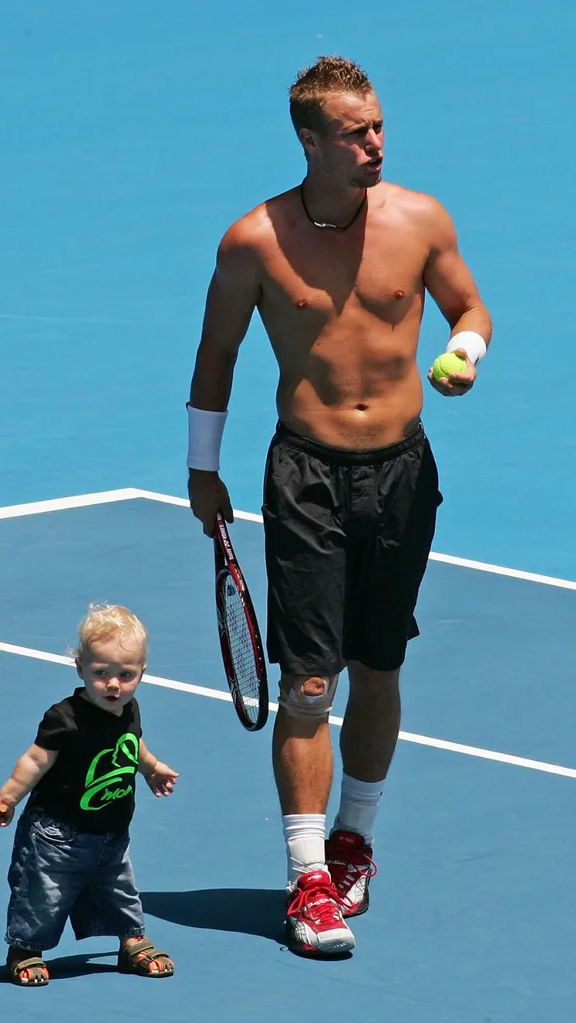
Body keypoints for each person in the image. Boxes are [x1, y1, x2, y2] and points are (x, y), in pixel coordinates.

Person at [186, 55, 492, 957]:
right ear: (309, 140)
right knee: (311, 685)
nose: (376, 145)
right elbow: (217, 356)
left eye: (380, 128)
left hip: (403, 473)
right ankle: (307, 878)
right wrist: (203, 470)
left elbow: (470, 308)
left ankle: (355, 839)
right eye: (356, 133)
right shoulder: (253, 241)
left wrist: (465, 353)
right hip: (307, 478)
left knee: (380, 668)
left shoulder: (422, 218)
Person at [0, 602, 179, 985]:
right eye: (101, 673)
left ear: (142, 673)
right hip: (58, 834)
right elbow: (35, 761)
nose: (113, 684)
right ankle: (24, 949)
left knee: (121, 891)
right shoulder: (65, 718)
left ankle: (131, 942)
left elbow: (130, 745)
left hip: (111, 831)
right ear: (80, 669)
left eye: (126, 675)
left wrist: (151, 768)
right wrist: (8, 796)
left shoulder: (128, 708)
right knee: (43, 895)